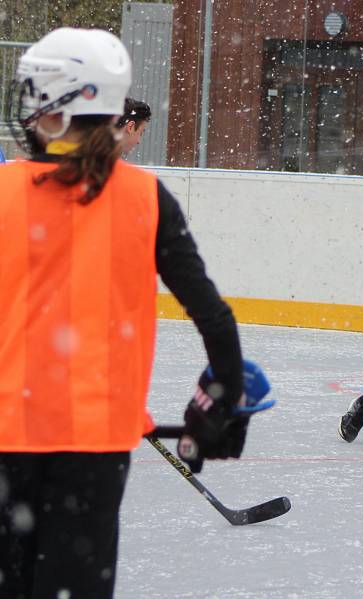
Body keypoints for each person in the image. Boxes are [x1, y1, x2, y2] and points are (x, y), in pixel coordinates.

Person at [0, 28, 250, 598]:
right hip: (95, 445)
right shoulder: (146, 198)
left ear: (61, 108)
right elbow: (214, 317)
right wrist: (222, 396)